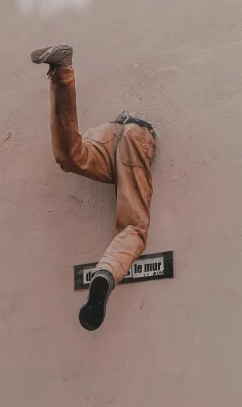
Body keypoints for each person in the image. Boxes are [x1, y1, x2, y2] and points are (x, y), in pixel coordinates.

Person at [30, 44, 157, 331]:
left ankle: (62, 71)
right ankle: (107, 273)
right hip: (136, 136)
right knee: (133, 226)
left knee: (70, 156)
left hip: (110, 130)